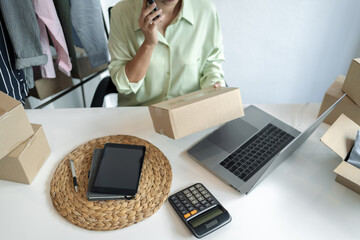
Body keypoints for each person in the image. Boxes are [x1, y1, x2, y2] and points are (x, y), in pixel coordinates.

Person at [108, 0, 225, 106]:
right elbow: (123, 85)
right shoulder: (121, 12)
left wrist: (214, 86)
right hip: (140, 114)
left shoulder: (206, 10)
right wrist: (148, 44)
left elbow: (211, 64)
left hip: (189, 112)